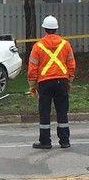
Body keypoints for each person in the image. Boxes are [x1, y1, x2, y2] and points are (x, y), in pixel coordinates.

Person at [27, 15, 76, 149]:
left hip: (45, 83)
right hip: (61, 82)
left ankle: (45, 142)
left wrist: (32, 85)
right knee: (62, 111)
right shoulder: (65, 44)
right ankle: (65, 141)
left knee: (44, 112)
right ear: (56, 29)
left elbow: (32, 68)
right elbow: (71, 64)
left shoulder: (38, 46)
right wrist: (69, 80)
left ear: (44, 29)